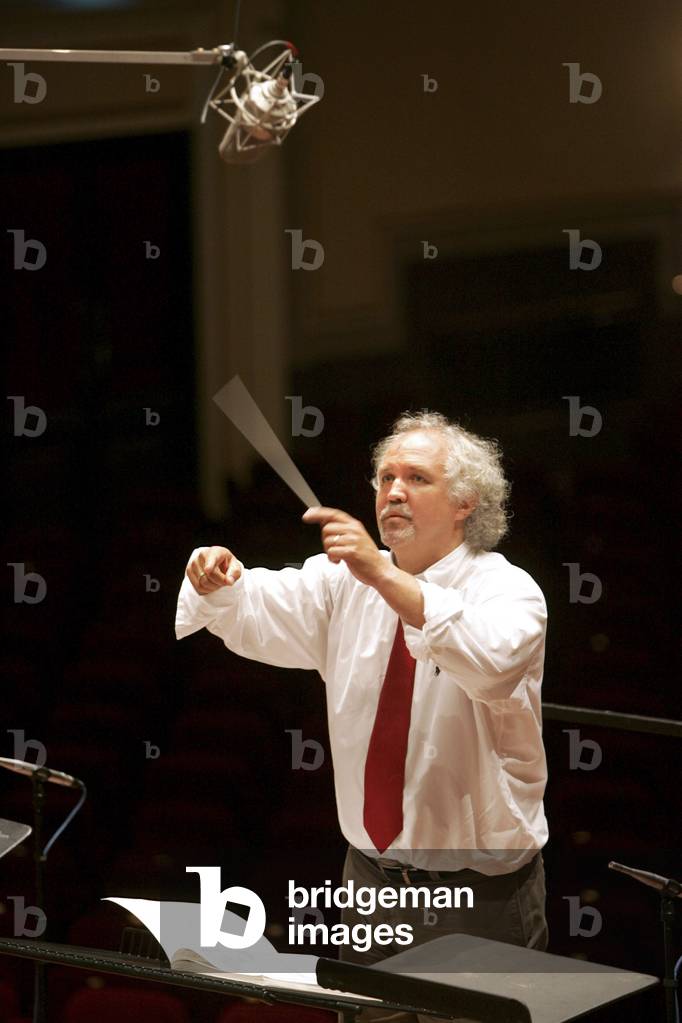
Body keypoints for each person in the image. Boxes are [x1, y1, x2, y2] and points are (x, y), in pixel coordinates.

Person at [175, 411, 549, 1007]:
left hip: (478, 895)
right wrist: (220, 578)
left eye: (417, 478)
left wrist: (378, 571)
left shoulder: (507, 590)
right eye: (384, 478)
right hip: (370, 883)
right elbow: (256, 608)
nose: (393, 491)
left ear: (464, 502)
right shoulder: (341, 582)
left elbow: (491, 661)